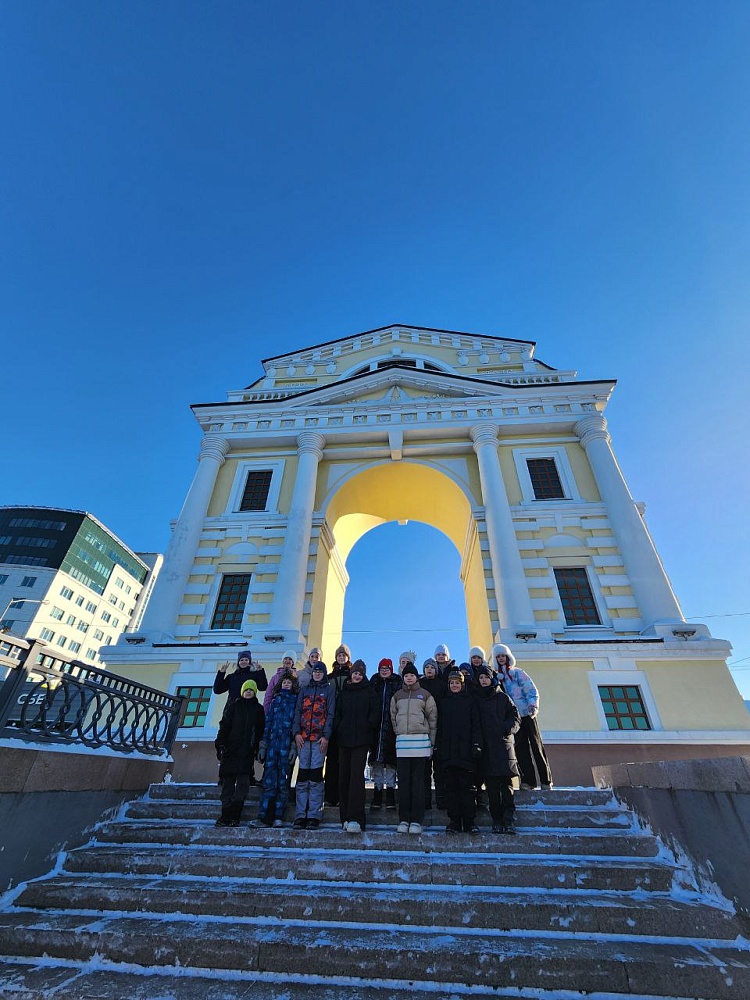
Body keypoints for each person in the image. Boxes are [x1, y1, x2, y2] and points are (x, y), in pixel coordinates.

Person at [492, 643, 553, 791]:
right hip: (514, 719)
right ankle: (528, 781)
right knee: (521, 749)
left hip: (528, 714)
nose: (501, 658)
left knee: (536, 747)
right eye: (498, 656)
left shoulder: (518, 673)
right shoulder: (497, 679)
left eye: (503, 655)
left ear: (508, 656)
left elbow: (531, 689)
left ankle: (546, 780)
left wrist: (533, 705)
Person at [390, 661, 437, 835]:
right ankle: (404, 819)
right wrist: (398, 732)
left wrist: (431, 742)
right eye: (406, 675)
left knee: (418, 783)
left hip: (421, 744)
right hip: (403, 744)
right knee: (403, 783)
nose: (409, 678)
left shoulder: (425, 695)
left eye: (412, 675)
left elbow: (433, 719)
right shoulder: (397, 696)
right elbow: (393, 716)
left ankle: (417, 820)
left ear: (417, 677)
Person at [334, 659, 379, 833]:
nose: (357, 676)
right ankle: (344, 817)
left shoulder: (369, 691)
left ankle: (356, 818)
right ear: (351, 674)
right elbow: (337, 713)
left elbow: (375, 711)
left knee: (356, 778)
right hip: (344, 739)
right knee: (343, 777)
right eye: (355, 673)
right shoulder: (344, 692)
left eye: (360, 673)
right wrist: (339, 728)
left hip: (361, 740)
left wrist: (368, 725)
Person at [476, 664, 521, 834]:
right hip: (487, 749)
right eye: (480, 678)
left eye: (486, 677)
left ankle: (508, 820)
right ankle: (496, 820)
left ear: (491, 678)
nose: (484, 680)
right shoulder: (477, 700)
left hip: (503, 747)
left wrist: (507, 728)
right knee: (492, 789)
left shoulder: (503, 698)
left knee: (507, 787)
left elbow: (515, 717)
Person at [214, 679, 265, 827]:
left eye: (251, 690)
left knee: (243, 783)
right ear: (242, 692)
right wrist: (220, 744)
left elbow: (260, 730)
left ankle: (236, 815)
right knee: (228, 783)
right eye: (246, 689)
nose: (248, 692)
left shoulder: (258, 709)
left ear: (254, 692)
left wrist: (257, 748)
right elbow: (225, 726)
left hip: (246, 752)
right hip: (231, 750)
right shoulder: (234, 707)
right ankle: (225, 814)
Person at [436, 670, 482, 835]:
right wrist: (439, 748)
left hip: (466, 752)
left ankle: (469, 822)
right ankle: (454, 821)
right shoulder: (443, 702)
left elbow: (476, 724)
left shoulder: (470, 701)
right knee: (452, 789)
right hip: (448, 753)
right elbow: (439, 727)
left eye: (457, 683)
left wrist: (476, 744)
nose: (454, 685)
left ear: (462, 684)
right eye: (452, 683)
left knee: (467, 788)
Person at [293, 659, 336, 829]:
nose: (318, 673)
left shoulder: (329, 690)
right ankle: (300, 814)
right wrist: (296, 733)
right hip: (303, 739)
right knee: (303, 776)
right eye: (316, 671)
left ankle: (314, 815)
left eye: (321, 671)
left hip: (319, 739)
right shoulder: (304, 690)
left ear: (324, 674)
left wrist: (326, 736)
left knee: (316, 777)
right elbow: (297, 712)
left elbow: (331, 713)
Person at [254, 670, 299, 827]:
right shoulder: (275, 701)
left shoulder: (295, 701)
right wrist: (263, 745)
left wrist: (294, 747)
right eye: (285, 682)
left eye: (289, 682)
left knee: (282, 782)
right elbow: (268, 724)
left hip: (286, 746)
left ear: (294, 685)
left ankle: (279, 815)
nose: (287, 684)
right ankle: (264, 816)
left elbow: (296, 726)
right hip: (273, 746)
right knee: (269, 781)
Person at [368, 658, 401, 812]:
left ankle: (390, 794)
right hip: (376, 729)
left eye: (387, 668)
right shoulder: (375, 684)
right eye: (382, 668)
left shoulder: (397, 684)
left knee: (390, 763)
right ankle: (377, 792)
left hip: (391, 728)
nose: (385, 670)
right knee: (377, 763)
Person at [324, 644, 352, 806]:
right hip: (333, 721)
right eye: (339, 655)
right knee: (332, 762)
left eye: (344, 655)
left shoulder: (352, 675)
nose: (341, 658)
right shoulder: (330, 676)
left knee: (345, 762)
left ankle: (343, 796)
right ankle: (330, 796)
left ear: (348, 658)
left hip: (346, 723)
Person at [419, 657, 447, 810]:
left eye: (432, 667)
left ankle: (441, 799)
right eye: (427, 667)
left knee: (439, 768)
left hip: (440, 730)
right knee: (424, 769)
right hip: (423, 731)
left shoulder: (442, 686)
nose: (429, 669)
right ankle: (426, 801)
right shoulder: (420, 685)